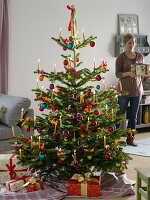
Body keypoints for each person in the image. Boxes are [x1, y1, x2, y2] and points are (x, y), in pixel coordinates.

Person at [115, 33, 143, 147]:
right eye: (129, 43)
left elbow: (142, 72)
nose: (132, 45)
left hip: (137, 90)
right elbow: (117, 74)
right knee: (120, 114)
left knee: (133, 116)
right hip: (124, 91)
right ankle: (114, 139)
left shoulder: (140, 56)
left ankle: (130, 139)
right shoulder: (121, 57)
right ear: (124, 44)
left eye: (133, 42)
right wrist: (129, 73)